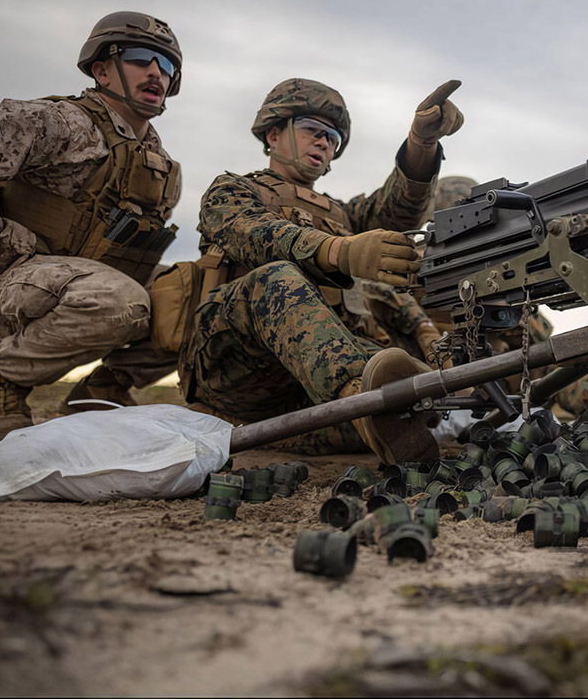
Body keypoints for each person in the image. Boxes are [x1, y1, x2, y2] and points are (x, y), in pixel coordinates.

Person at [0, 11, 185, 442]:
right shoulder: (60, 122)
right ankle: (1, 386)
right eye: (139, 58)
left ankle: (101, 392)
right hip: (10, 283)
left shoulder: (160, 165)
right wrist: (0, 247)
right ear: (102, 70)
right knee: (121, 300)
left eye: (167, 66)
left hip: (91, 285)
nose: (156, 71)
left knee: (199, 294)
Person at [177, 78, 462, 463]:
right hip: (235, 368)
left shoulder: (342, 214)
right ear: (273, 134)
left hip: (305, 384)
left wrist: (421, 145)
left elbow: (397, 212)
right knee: (277, 278)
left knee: (403, 377)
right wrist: (339, 251)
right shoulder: (232, 190)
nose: (325, 143)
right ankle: (362, 405)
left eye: (333, 138)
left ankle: (358, 416)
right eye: (313, 130)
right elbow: (258, 235)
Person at [422, 176, 588, 438]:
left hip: (506, 386)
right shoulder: (422, 283)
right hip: (442, 387)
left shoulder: (496, 280)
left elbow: (543, 348)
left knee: (550, 351)